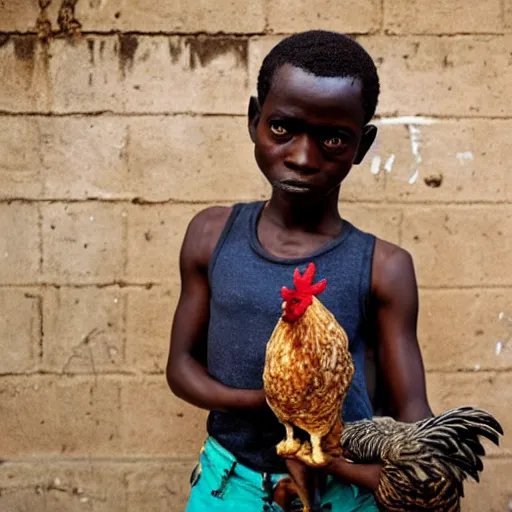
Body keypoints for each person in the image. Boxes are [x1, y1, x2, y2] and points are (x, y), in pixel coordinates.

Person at [166, 30, 433, 512]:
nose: (303, 157)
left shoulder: (385, 267)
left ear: (362, 145)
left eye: (333, 138)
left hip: (343, 493)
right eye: (283, 129)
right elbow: (181, 367)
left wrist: (424, 464)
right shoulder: (211, 234)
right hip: (231, 486)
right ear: (254, 120)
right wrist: (273, 403)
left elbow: (409, 405)